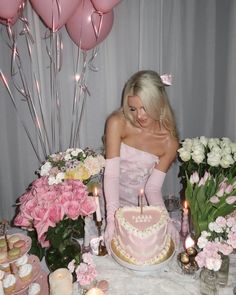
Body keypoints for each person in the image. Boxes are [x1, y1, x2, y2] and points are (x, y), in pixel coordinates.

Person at [103, 70, 180, 254]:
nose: (139, 116)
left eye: (145, 107)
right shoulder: (117, 122)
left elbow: (152, 188)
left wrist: (165, 220)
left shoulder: (169, 142)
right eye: (133, 108)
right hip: (110, 200)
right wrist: (112, 219)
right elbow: (112, 176)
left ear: (159, 103)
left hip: (141, 209)